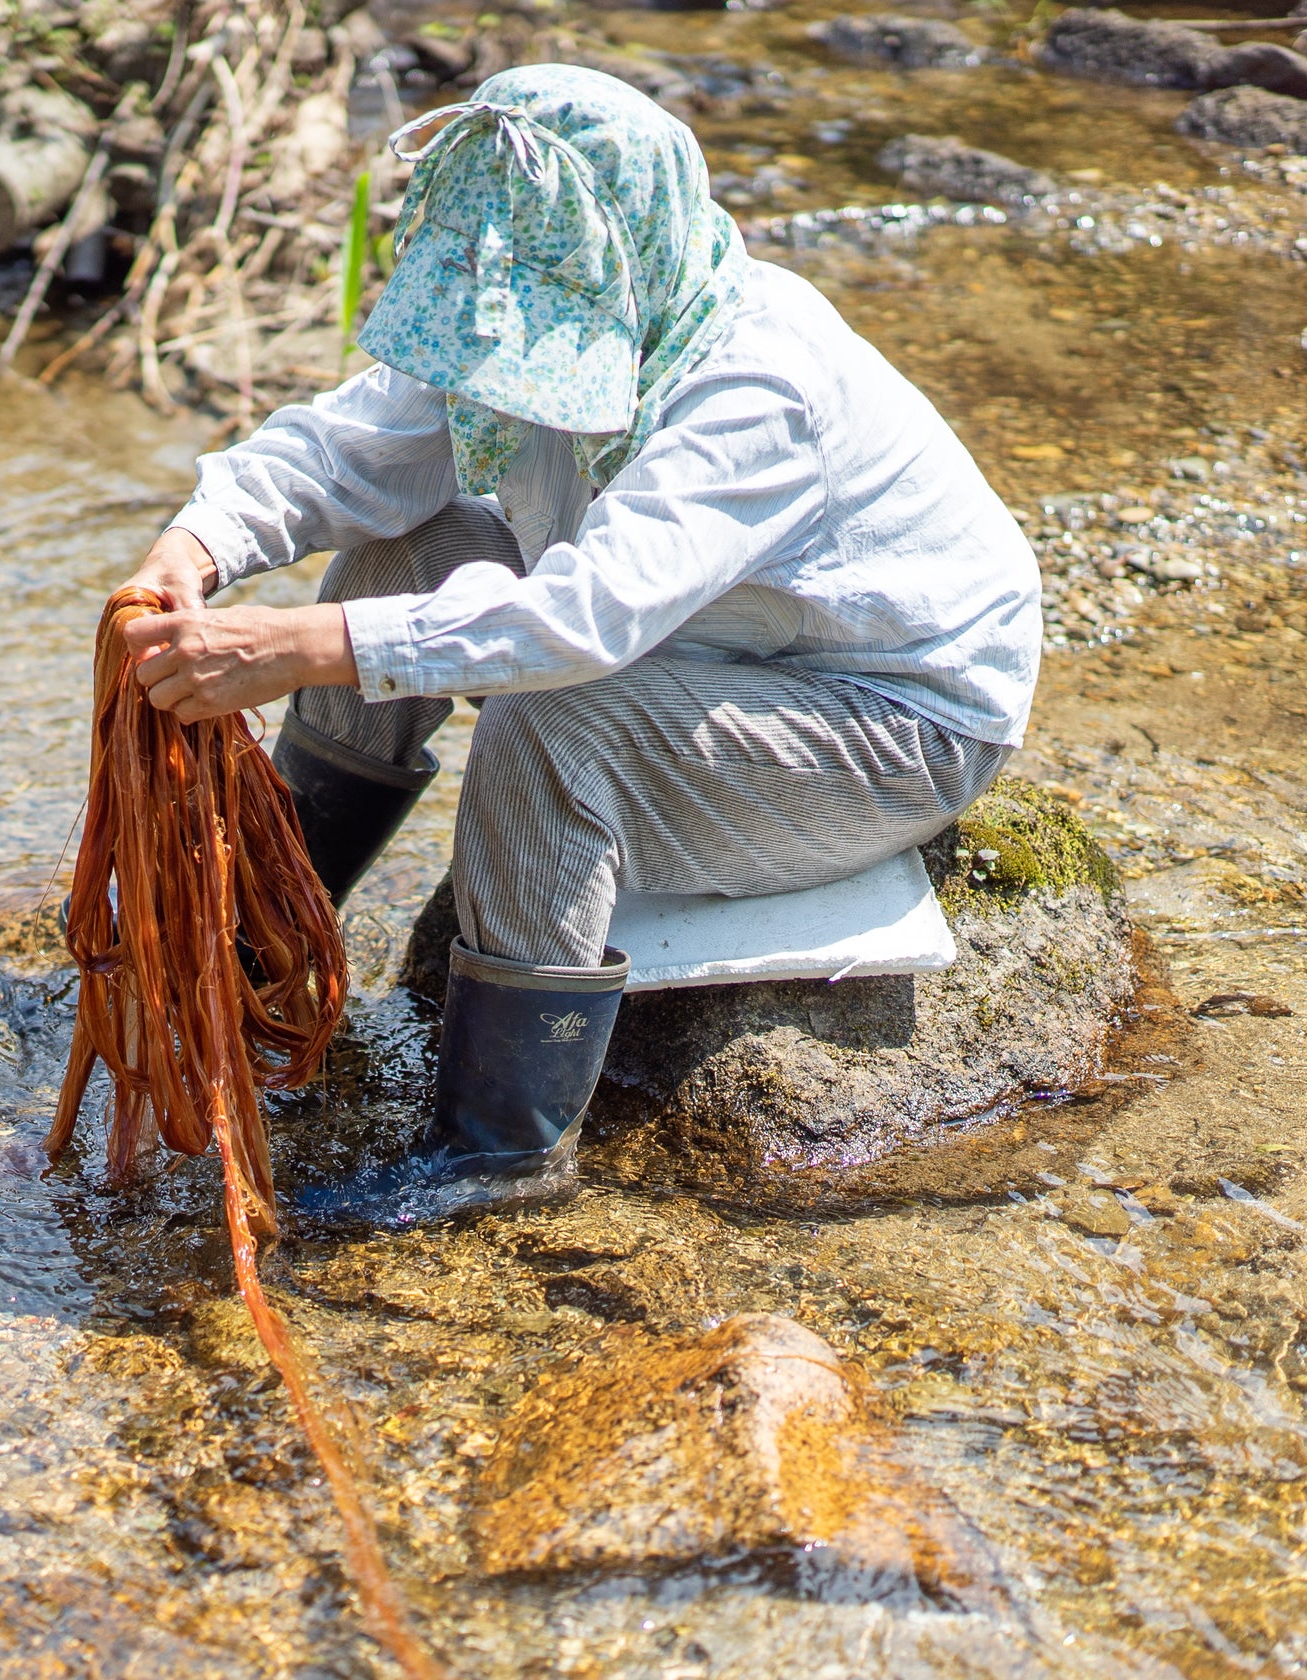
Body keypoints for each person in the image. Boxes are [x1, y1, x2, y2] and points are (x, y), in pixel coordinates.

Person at [112, 66, 1039, 1199]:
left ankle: (495, 1151)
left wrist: (298, 647)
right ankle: (263, 961)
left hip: (888, 715)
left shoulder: (758, 384)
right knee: (398, 557)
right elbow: (359, 448)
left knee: (556, 726)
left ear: (624, 268)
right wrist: (198, 543)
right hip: (710, 638)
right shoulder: (539, 311)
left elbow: (587, 618)